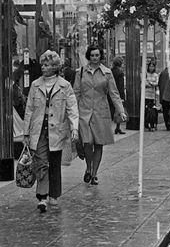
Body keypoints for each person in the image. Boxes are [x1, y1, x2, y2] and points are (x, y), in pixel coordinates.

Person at [23, 50, 79, 212]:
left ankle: (54, 194)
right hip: (38, 131)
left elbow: (72, 108)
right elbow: (29, 109)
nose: (43, 67)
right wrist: (26, 133)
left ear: (54, 67)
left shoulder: (65, 86)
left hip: (57, 131)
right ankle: (42, 196)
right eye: (42, 64)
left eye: (46, 65)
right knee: (40, 162)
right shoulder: (35, 85)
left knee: (54, 163)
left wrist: (74, 128)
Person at [74, 45, 127, 185]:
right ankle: (88, 167)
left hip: (101, 112)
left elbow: (114, 94)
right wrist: (72, 112)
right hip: (84, 111)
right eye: (92, 55)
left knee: (98, 143)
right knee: (87, 141)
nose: (95, 58)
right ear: (88, 56)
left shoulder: (107, 73)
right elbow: (75, 93)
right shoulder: (80, 72)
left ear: (100, 56)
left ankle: (93, 173)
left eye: (97, 55)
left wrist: (120, 110)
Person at [110, 56, 126, 135]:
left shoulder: (110, 71)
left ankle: (110, 128)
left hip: (109, 94)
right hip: (117, 94)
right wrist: (122, 97)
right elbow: (121, 86)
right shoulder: (120, 72)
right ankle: (117, 127)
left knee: (111, 111)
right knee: (119, 111)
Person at [145, 61, 159, 131]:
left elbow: (156, 83)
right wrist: (152, 84)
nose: (151, 68)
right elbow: (144, 83)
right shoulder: (145, 74)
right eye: (150, 66)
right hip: (145, 95)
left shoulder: (156, 75)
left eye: (152, 66)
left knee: (153, 110)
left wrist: (150, 83)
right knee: (146, 110)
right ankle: (147, 124)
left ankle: (153, 123)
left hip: (152, 95)